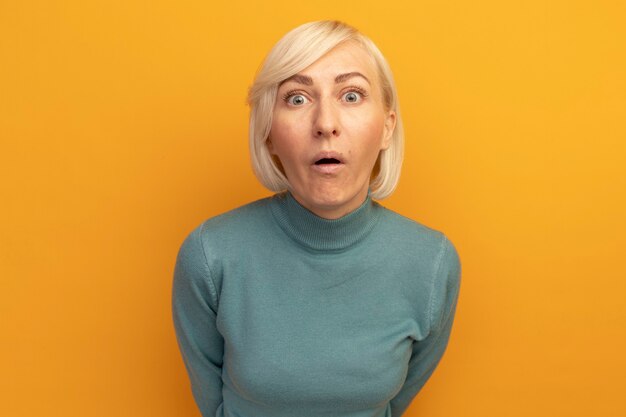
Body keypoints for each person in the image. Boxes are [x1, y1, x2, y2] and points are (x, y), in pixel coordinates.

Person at [172, 20, 461, 417]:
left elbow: (395, 402)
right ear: (268, 133)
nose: (326, 124)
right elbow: (210, 399)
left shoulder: (432, 262)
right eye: (297, 99)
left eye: (352, 95)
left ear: (387, 128)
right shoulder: (210, 254)